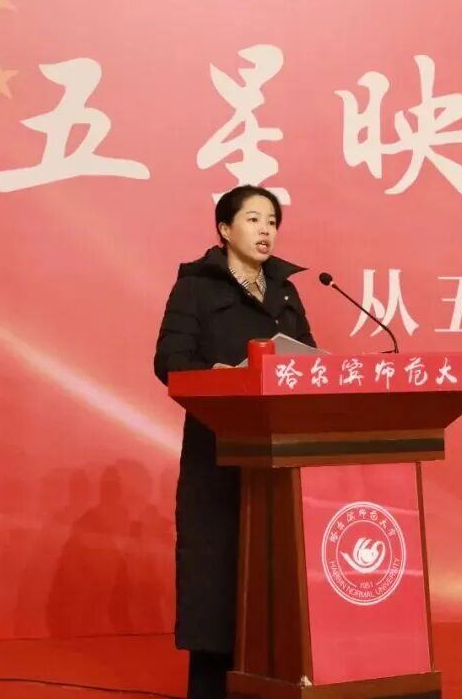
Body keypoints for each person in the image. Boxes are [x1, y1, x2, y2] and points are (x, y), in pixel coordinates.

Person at [152, 185, 316, 699]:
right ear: (225, 229)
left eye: (272, 221)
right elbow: (170, 361)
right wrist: (217, 377)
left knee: (276, 571)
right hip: (218, 447)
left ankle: (277, 681)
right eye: (254, 219)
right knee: (217, 568)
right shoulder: (194, 289)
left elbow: (309, 360)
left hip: (280, 454)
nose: (266, 230)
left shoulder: (285, 291)